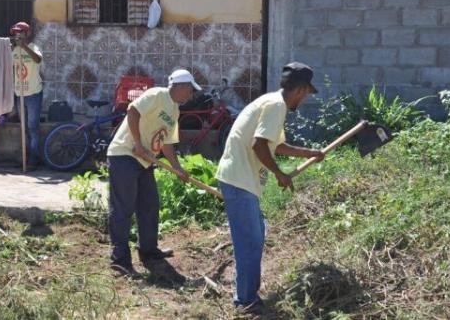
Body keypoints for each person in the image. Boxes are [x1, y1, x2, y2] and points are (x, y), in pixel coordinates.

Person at [216, 62, 325, 314]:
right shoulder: (276, 106)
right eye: (307, 93)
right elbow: (259, 145)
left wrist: (310, 153)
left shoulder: (271, 102)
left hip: (240, 179)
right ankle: (245, 300)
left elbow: (276, 146)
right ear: (300, 89)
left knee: (255, 235)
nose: (306, 98)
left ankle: (246, 294)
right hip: (239, 179)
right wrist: (280, 174)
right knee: (249, 241)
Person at [106, 69, 200, 276]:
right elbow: (132, 111)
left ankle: (148, 251)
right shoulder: (157, 95)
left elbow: (166, 143)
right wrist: (138, 143)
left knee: (149, 205)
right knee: (123, 208)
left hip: (144, 160)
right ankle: (120, 260)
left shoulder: (174, 110)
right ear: (181, 86)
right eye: (190, 91)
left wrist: (177, 167)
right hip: (125, 154)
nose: (190, 95)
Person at [10, 22, 43, 168]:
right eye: (16, 33)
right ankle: (25, 155)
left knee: (32, 126)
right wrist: (13, 47)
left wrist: (24, 47)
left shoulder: (34, 48)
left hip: (33, 93)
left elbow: (38, 59)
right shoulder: (14, 50)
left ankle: (34, 158)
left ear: (27, 33)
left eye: (20, 32)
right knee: (23, 126)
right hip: (20, 93)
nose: (17, 35)